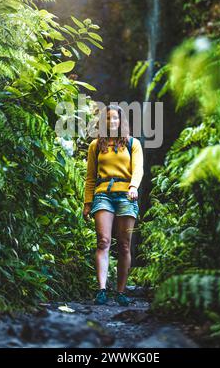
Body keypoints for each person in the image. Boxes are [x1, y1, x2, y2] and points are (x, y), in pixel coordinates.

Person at [82, 105, 144, 306]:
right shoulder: (95, 145)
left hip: (127, 195)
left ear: (121, 121)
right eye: (108, 119)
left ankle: (120, 291)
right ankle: (101, 290)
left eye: (116, 119)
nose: (112, 122)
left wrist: (134, 186)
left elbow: (138, 169)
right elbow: (90, 177)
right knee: (103, 241)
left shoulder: (132, 143)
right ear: (104, 122)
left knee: (125, 245)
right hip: (103, 196)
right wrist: (87, 203)